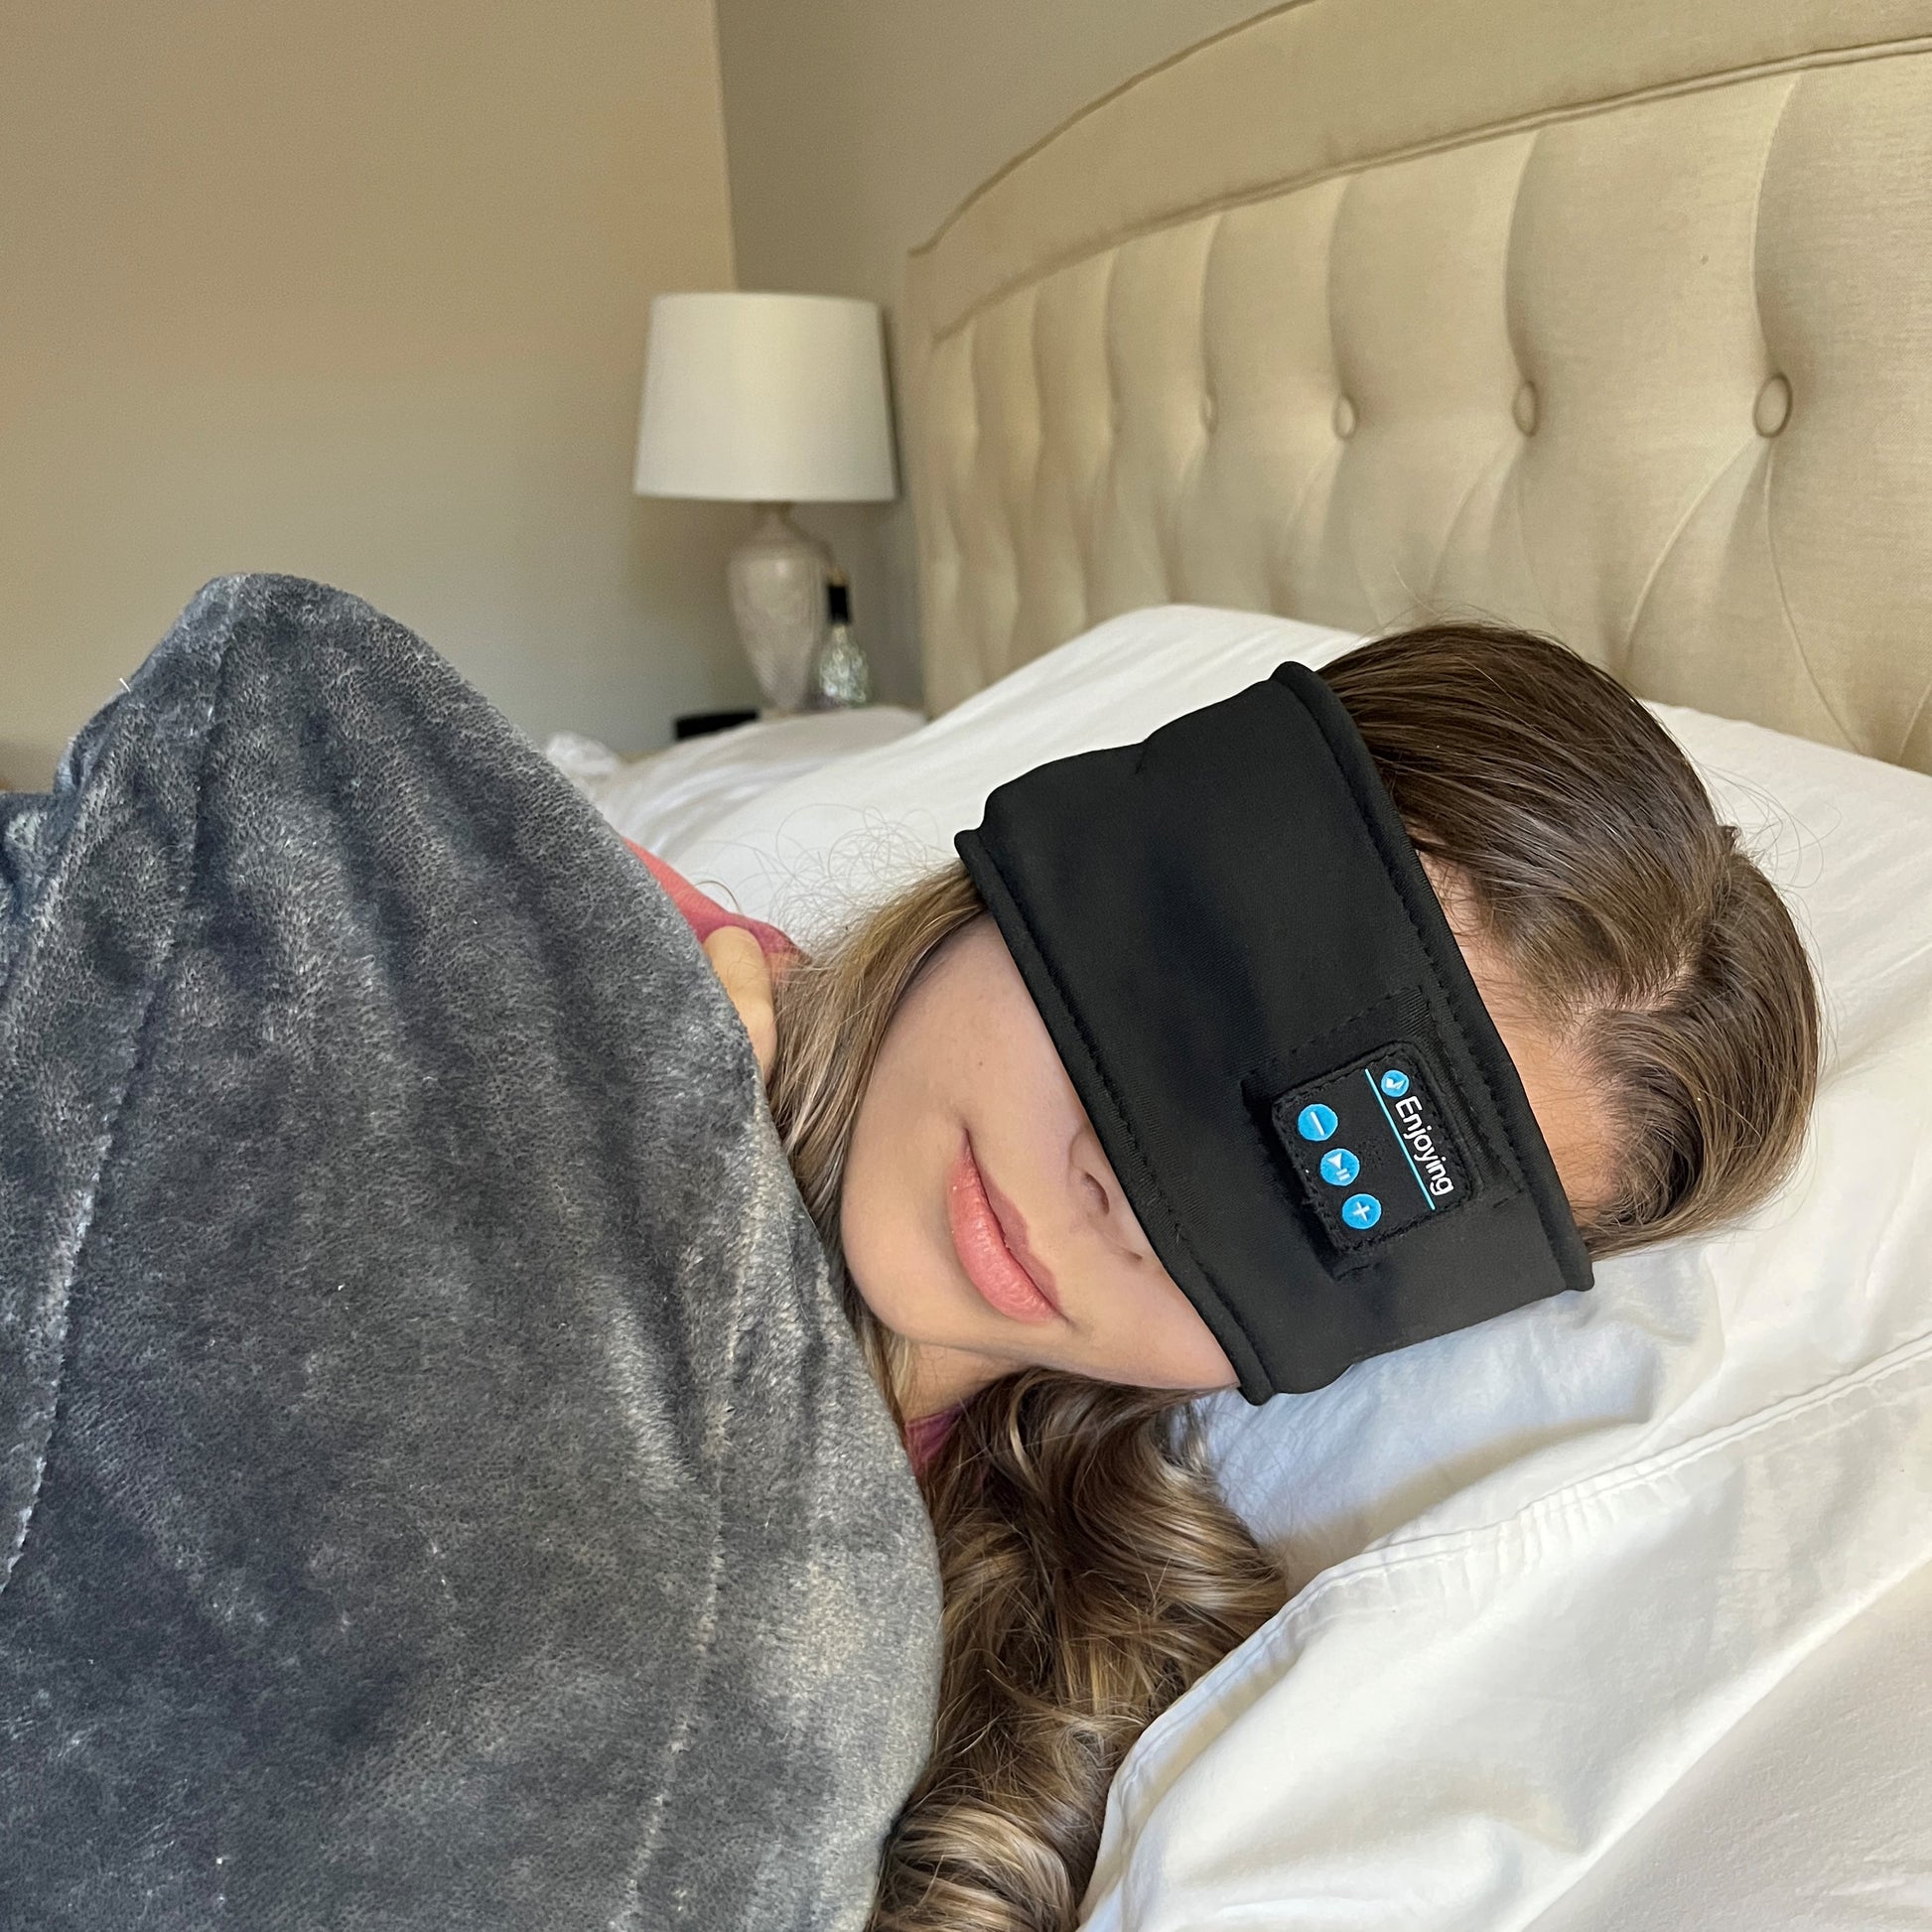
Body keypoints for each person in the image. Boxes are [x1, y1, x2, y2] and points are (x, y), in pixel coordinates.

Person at [667, 622, 1820, 1932]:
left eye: (1307, 1206)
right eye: (1178, 1001)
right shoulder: (538, 944)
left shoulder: (1062, 1699)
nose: (1114, 1186)